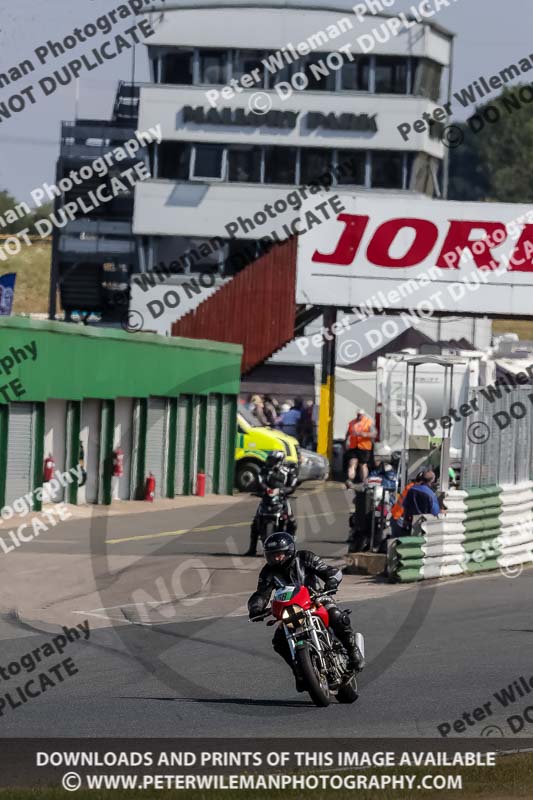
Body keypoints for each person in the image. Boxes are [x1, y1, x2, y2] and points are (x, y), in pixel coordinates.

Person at [248, 533, 365, 690]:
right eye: (272, 555)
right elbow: (262, 593)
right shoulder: (268, 572)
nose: (276, 558)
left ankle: (353, 651)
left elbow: (330, 570)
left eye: (279, 554)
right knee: (279, 641)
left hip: (315, 600)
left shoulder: (305, 557)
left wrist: (331, 581)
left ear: (289, 551)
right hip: (291, 610)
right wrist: (256, 607)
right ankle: (300, 671)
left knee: (336, 615)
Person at [244, 452, 297, 556]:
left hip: (282, 499)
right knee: (255, 523)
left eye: (272, 460)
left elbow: (292, 485)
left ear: (279, 460)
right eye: (270, 459)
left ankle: (291, 549)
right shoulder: (264, 470)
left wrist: (281, 491)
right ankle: (252, 549)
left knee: (292, 522)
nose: (270, 462)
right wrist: (266, 489)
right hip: (266, 498)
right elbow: (260, 481)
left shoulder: (288, 471)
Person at [344, 408, 377, 487]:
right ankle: (350, 480)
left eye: (361, 415)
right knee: (352, 464)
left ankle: (364, 480)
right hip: (353, 446)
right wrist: (346, 442)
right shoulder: (352, 423)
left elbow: (374, 434)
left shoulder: (368, 422)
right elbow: (348, 434)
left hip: (364, 447)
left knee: (363, 465)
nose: (359, 416)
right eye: (358, 415)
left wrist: (365, 434)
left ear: (363, 415)